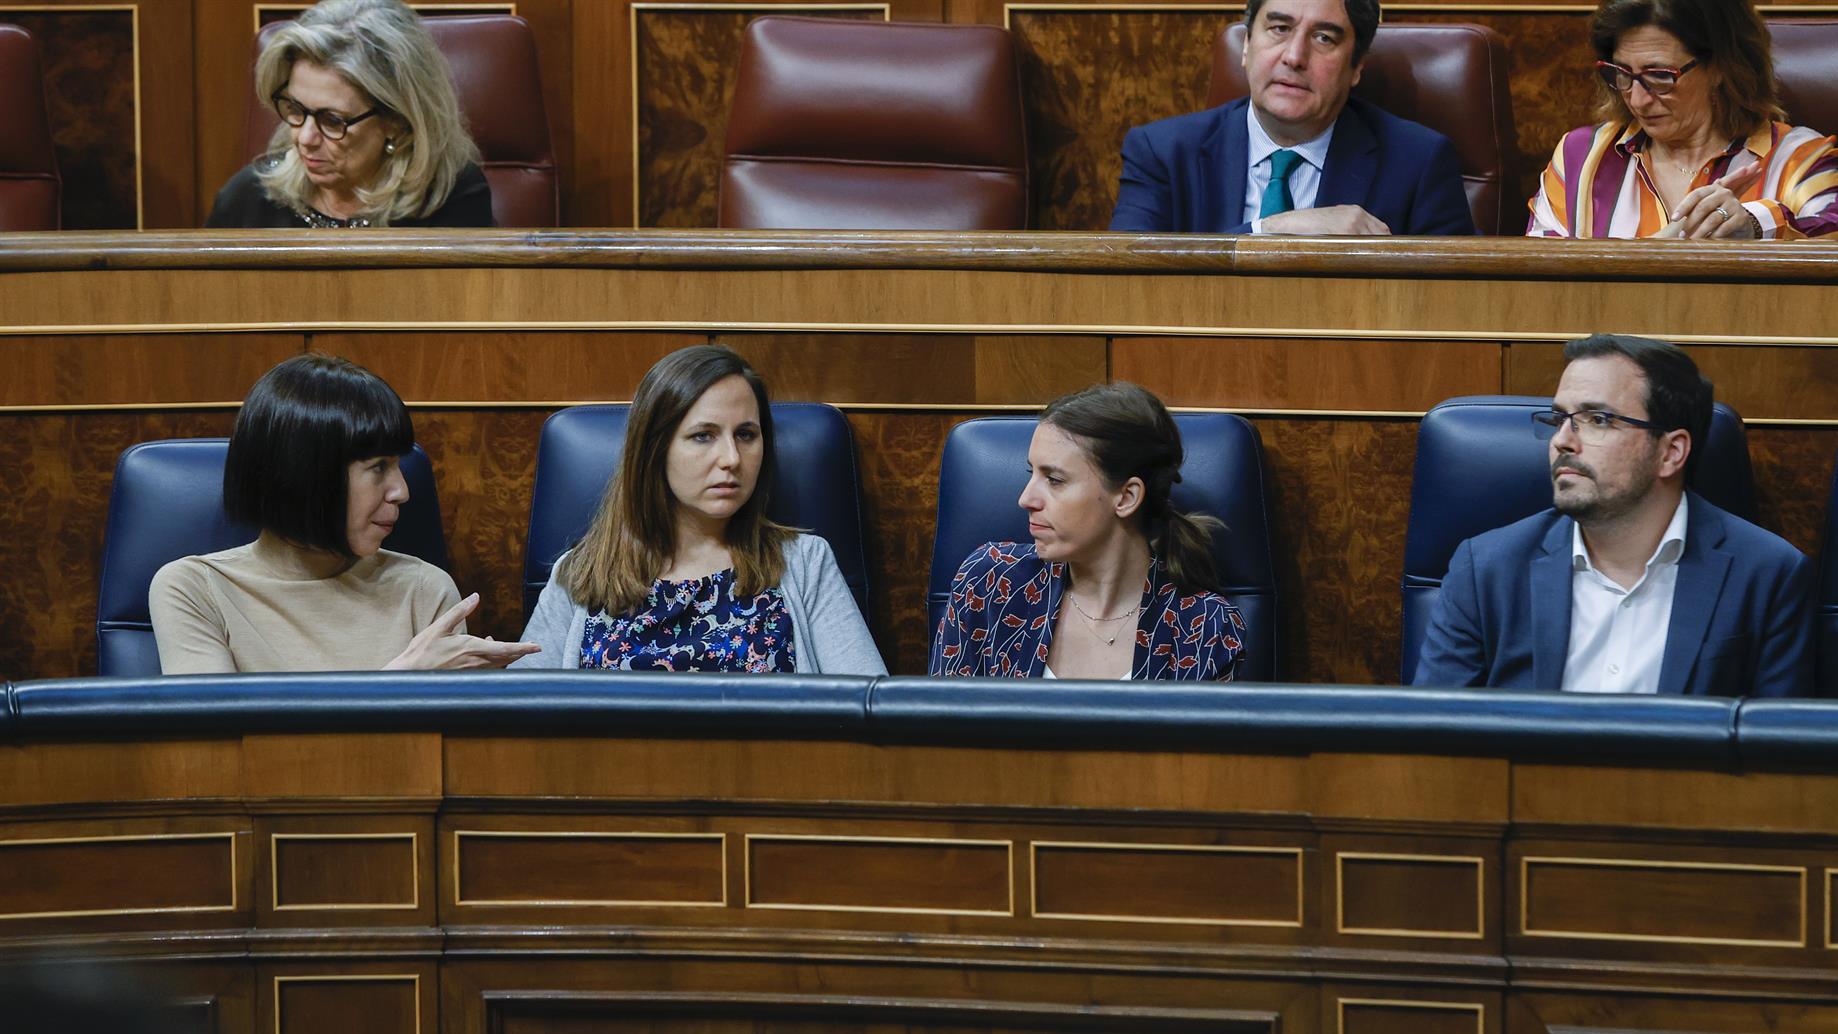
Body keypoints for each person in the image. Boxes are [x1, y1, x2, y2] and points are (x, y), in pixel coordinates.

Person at [1414, 334, 1814, 696]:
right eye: (1559, 419)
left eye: (1597, 420)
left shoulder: (1768, 575)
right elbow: (1432, 742)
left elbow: (1780, 760)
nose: (1562, 441)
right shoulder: (1486, 570)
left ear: (1671, 452)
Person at [151, 354, 536, 673]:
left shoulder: (425, 590)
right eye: (379, 467)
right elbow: (220, 751)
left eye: (397, 465)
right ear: (305, 475)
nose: (402, 491)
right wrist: (401, 682)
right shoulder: (193, 588)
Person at [515, 346, 885, 674]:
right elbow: (522, 716)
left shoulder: (805, 562)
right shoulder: (580, 573)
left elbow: (869, 710)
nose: (731, 458)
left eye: (746, 435)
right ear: (654, 450)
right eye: (703, 436)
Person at [932, 383, 1246, 680]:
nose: (1026, 499)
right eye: (1032, 473)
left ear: (1126, 498)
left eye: (1054, 480)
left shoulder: (1203, 627)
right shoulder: (989, 584)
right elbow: (937, 728)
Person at [1109, 0, 1473, 236]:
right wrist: (1269, 230)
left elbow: (1454, 304)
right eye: (1279, 29)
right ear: (1248, 45)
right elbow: (1128, 279)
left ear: (1356, 66)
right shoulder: (1161, 152)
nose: (1295, 56)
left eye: (1324, 38)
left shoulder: (1419, 163)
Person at [1526, 0, 1838, 239]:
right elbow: (1537, 282)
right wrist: (1657, 256)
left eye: (1659, 76)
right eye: (1622, 74)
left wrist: (1756, 225)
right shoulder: (1580, 157)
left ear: (1721, 68)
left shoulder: (1797, 157)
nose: (1637, 99)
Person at [206, 0, 492, 228]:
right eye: (296, 109)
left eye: (332, 120)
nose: (305, 138)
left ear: (397, 121)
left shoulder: (450, 197)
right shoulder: (247, 199)